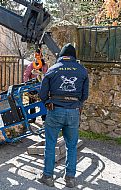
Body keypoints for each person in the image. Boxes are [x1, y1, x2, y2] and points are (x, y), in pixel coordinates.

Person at [38, 43, 89, 188]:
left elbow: (42, 94)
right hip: (73, 112)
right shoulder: (82, 71)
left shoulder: (52, 69)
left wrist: (47, 101)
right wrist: (75, 103)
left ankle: (47, 176)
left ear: (61, 55)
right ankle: (70, 179)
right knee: (71, 146)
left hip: (55, 110)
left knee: (50, 144)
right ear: (74, 56)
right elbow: (85, 95)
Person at [23, 48, 48, 123]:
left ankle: (44, 117)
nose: (37, 57)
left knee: (44, 101)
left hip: (42, 86)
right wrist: (27, 84)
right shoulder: (31, 65)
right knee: (32, 102)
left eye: (39, 56)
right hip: (33, 86)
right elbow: (26, 75)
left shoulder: (45, 65)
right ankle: (33, 118)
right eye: (36, 56)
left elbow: (46, 74)